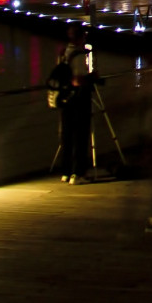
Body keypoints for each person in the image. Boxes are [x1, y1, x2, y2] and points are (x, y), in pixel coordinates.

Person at [57, 25, 100, 184]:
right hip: (78, 99)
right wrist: (92, 77)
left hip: (64, 98)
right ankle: (78, 173)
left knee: (66, 136)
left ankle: (66, 172)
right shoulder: (78, 54)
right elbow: (77, 80)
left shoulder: (63, 53)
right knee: (80, 135)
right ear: (81, 37)